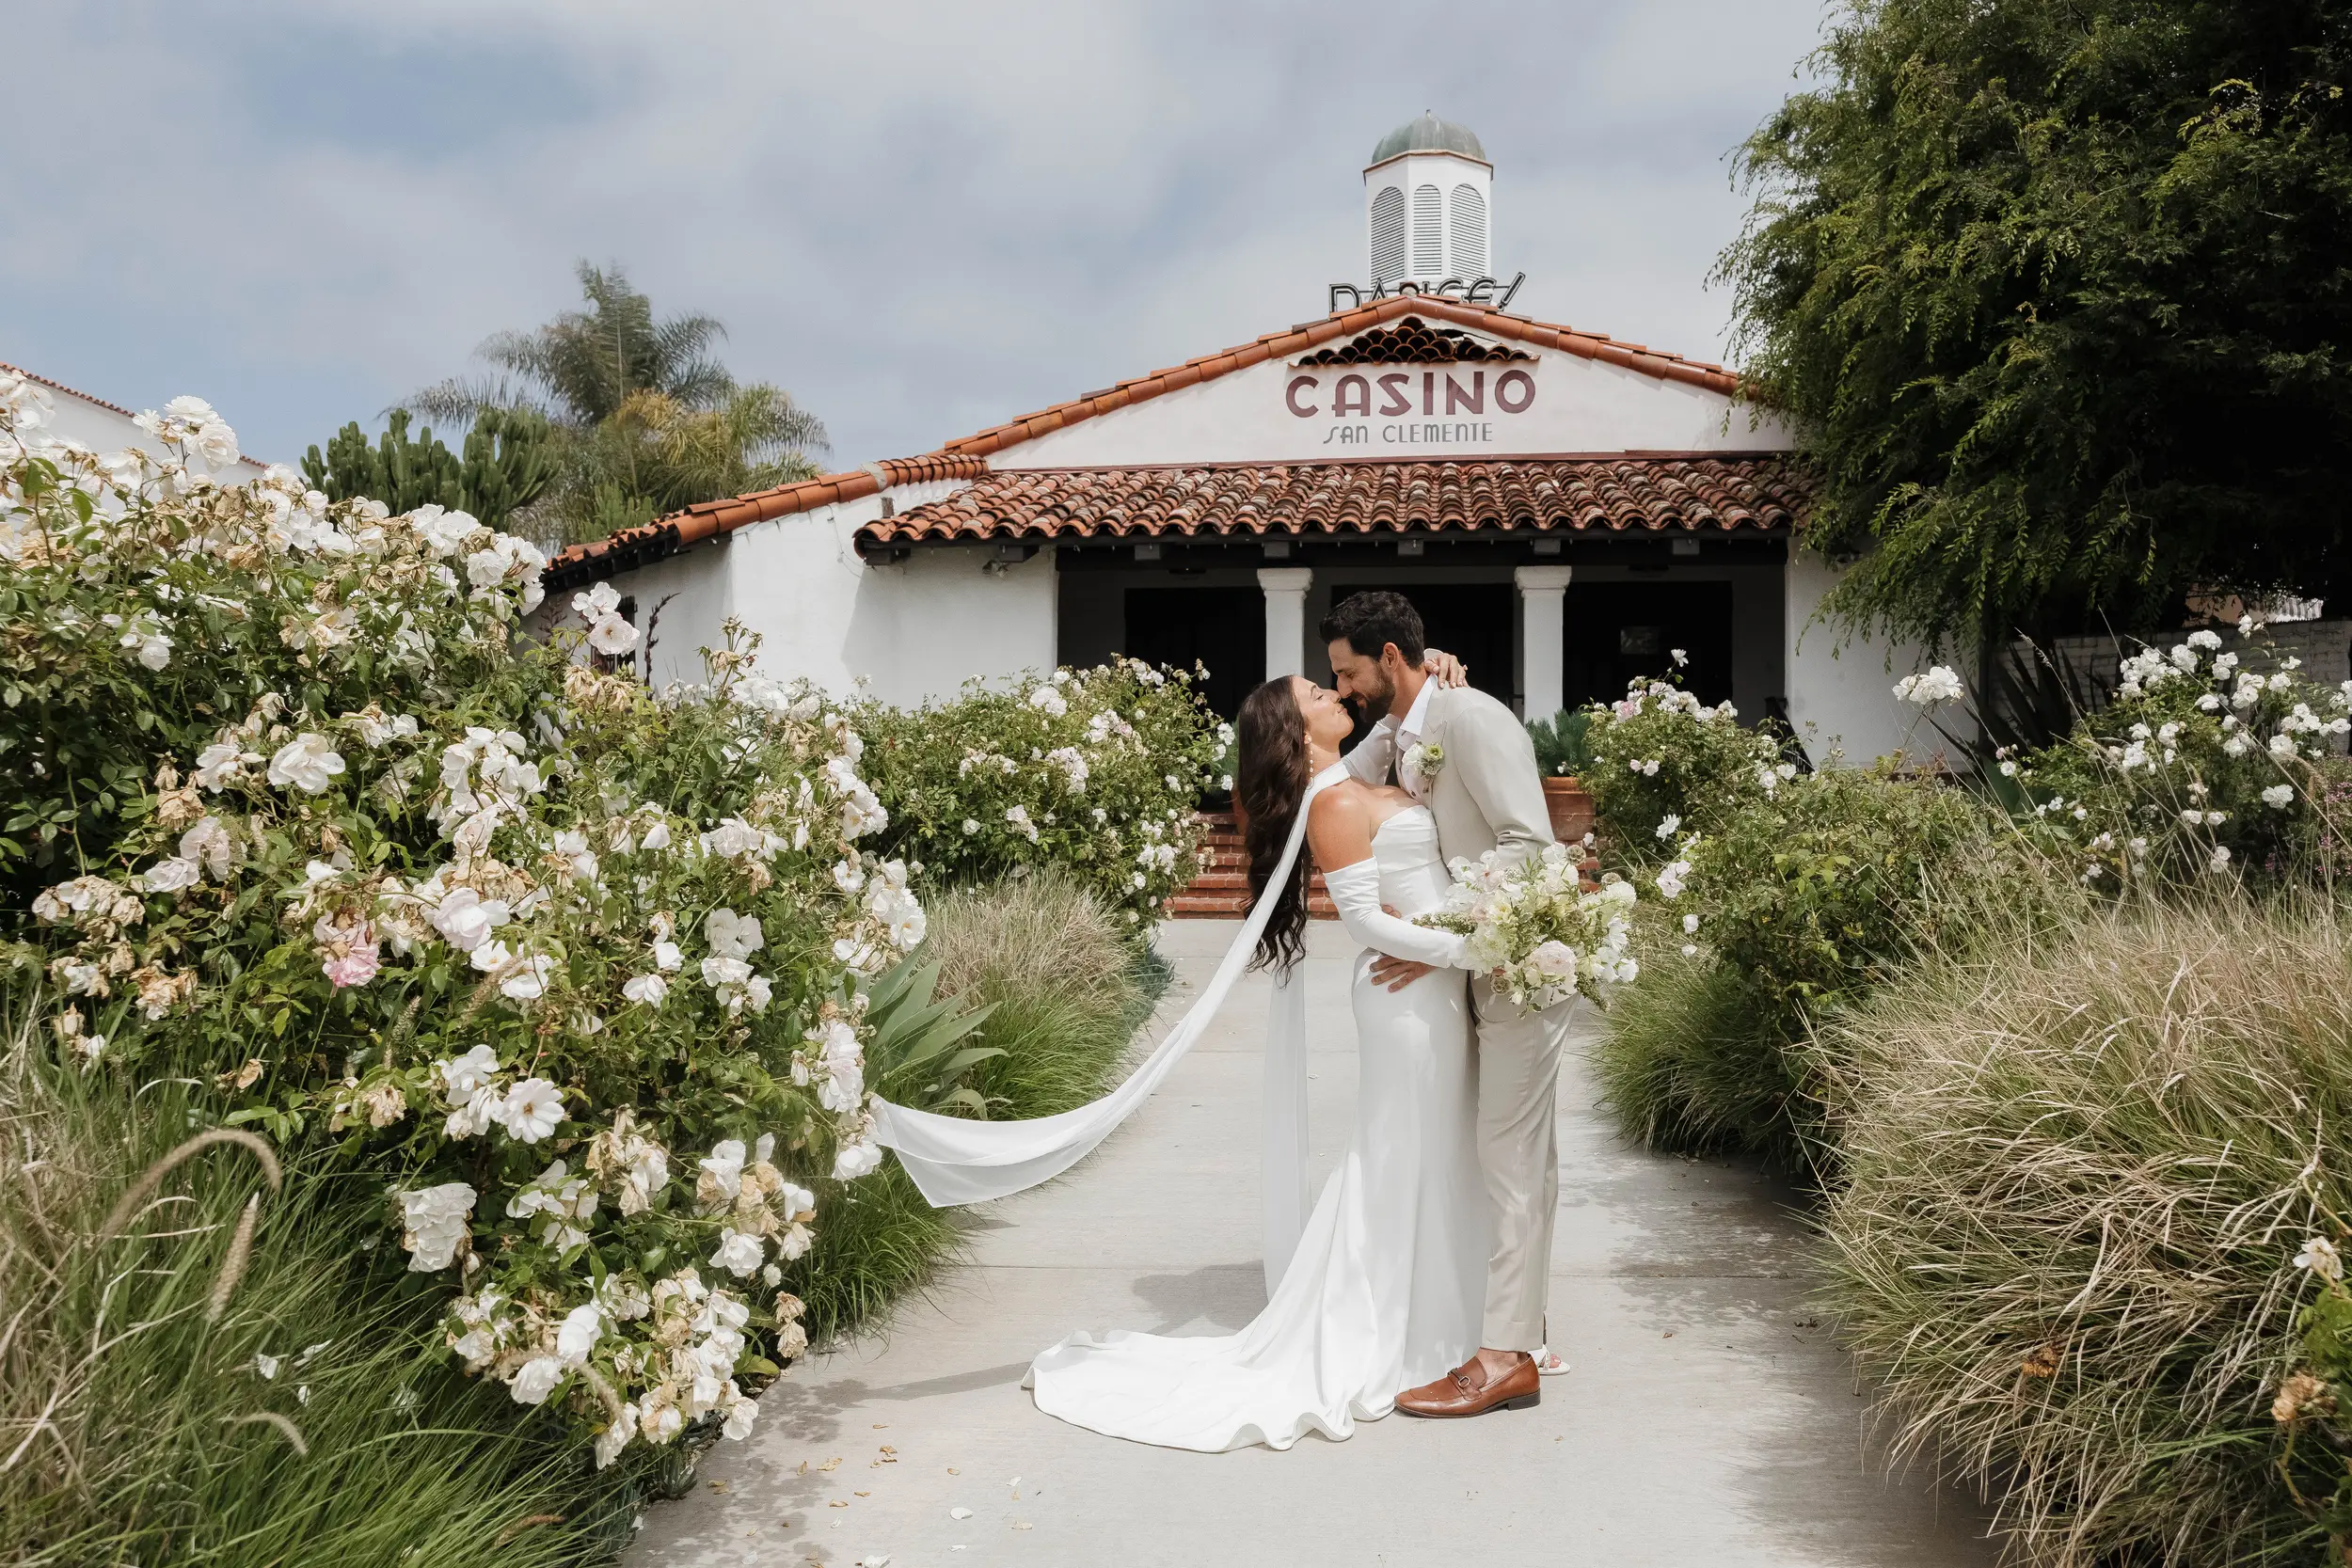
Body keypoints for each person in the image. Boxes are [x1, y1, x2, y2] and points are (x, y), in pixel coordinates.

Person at [1319, 591, 1570, 1418]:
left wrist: (1436, 932)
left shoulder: (1470, 718)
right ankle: (1523, 1333)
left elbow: (1530, 846)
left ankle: (1505, 1361)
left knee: (1508, 1161)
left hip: (1515, 970)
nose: (1345, 689)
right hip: (1469, 973)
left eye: (1349, 673)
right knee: (1506, 1160)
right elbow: (1334, 782)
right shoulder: (1405, 732)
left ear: (1389, 660)